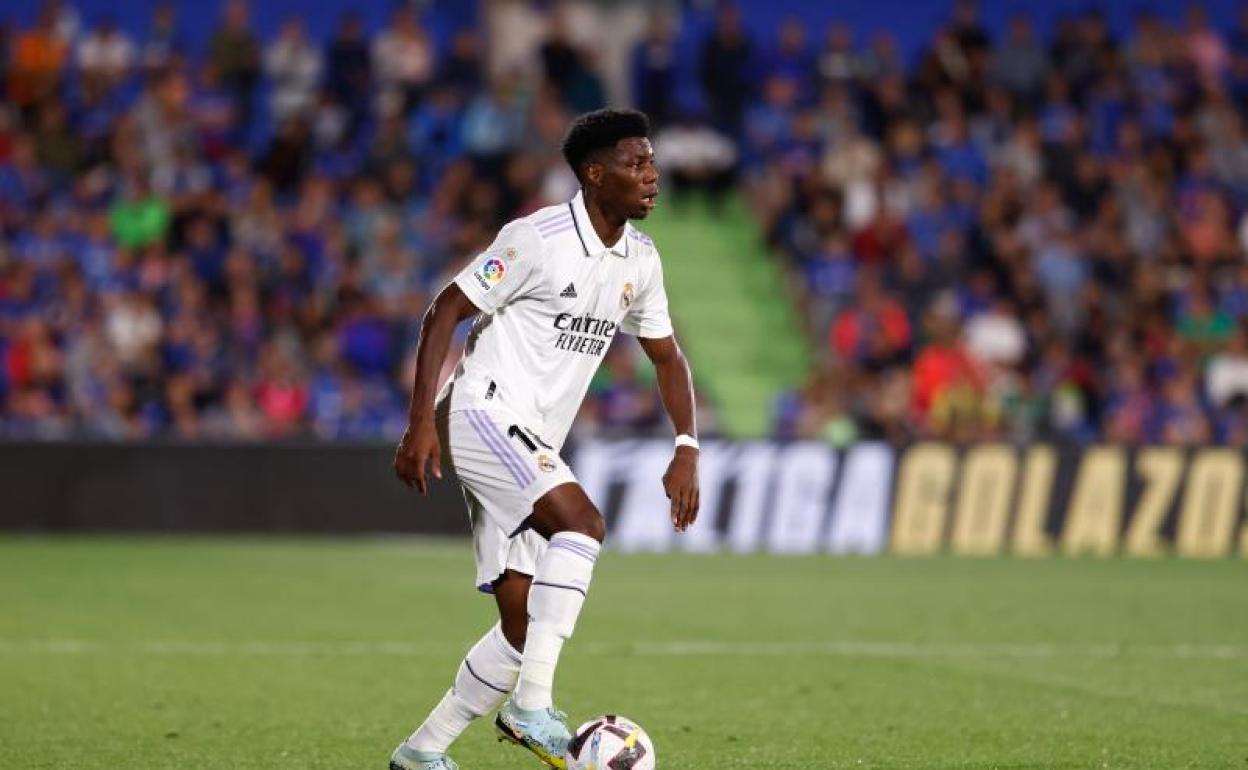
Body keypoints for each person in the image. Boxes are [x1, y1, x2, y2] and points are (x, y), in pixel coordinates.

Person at [391, 108, 701, 770]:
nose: (652, 176)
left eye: (652, 162)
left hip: (532, 439)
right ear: (595, 174)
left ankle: (421, 754)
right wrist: (421, 421)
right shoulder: (537, 238)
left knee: (521, 627)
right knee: (582, 523)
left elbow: (668, 358)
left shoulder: (641, 261)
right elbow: (446, 308)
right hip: (479, 410)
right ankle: (533, 707)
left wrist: (686, 447)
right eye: (636, 164)